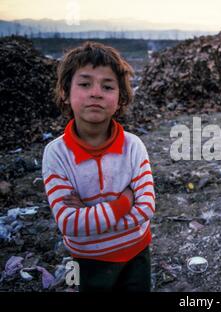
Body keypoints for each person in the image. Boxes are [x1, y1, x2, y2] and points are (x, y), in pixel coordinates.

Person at [42, 41, 155, 291]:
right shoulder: (57, 154)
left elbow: (146, 208)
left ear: (120, 97)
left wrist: (90, 215)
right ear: (65, 91)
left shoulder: (133, 147)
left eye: (107, 86)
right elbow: (70, 224)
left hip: (137, 252)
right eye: (84, 84)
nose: (96, 93)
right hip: (86, 260)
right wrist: (124, 202)